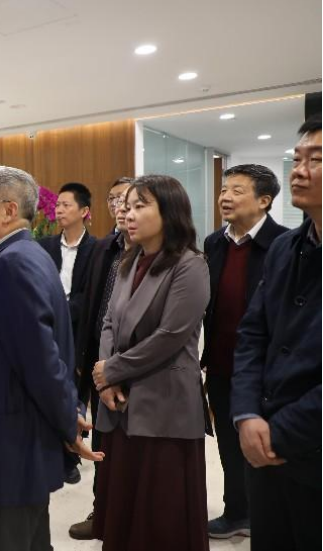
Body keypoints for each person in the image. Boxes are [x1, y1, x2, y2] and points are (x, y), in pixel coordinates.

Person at [0, 165, 103, 551]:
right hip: (6, 443)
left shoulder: (13, 263)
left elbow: (42, 362)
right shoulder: (13, 255)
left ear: (8, 211)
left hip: (4, 451)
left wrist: (68, 424)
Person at [91, 175, 210, 551]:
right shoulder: (129, 261)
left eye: (140, 206)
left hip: (164, 403)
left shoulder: (190, 265)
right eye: (126, 206)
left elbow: (170, 336)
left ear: (170, 212)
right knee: (126, 505)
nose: (128, 214)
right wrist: (106, 377)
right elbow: (109, 322)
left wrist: (113, 370)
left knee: (160, 513)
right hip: (121, 399)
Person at [231, 115, 321, 551]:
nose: (298, 171)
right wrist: (247, 414)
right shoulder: (286, 247)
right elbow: (253, 334)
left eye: (315, 160)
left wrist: (278, 430)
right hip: (263, 445)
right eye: (297, 158)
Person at [202, 164, 287, 540]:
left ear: (264, 200)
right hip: (221, 362)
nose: (225, 197)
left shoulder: (284, 244)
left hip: (268, 369)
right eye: (224, 189)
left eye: (237, 190)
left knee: (265, 444)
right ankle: (237, 511)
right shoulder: (214, 244)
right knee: (228, 444)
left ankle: (270, 517)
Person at [67, 177, 133, 540]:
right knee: (102, 440)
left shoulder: (158, 250)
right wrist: (83, 355)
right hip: (97, 357)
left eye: (127, 199)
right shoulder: (103, 247)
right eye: (113, 199)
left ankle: (133, 515)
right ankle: (102, 510)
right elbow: (90, 303)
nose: (119, 206)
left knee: (134, 443)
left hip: (138, 362)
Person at [37, 181, 97, 484]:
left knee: (74, 392)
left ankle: (71, 456)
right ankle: (49, 451)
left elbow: (91, 294)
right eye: (57, 205)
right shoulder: (44, 245)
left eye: (66, 205)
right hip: (46, 327)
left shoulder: (96, 248)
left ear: (84, 211)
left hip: (78, 330)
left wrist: (62, 310)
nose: (59, 210)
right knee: (48, 387)